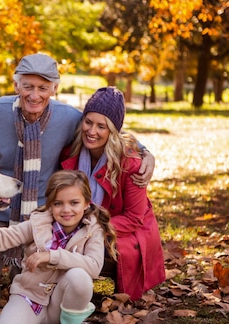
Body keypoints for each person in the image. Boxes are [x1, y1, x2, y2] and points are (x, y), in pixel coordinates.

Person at [0, 52, 156, 304]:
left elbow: (109, 127)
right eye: (27, 86)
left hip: (41, 220)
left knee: (32, 291)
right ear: (16, 84)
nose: (34, 95)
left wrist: (145, 152)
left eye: (43, 88)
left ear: (54, 88)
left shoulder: (68, 118)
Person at [0, 170, 117, 324]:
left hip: (62, 305)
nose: (66, 210)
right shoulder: (38, 224)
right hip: (30, 296)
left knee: (80, 276)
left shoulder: (93, 229)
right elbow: (1, 238)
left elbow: (93, 266)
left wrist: (52, 256)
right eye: (58, 203)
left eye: (74, 203)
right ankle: (25, 321)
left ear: (86, 203)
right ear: (50, 205)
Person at [60, 86, 166, 300]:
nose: (92, 131)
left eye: (102, 126)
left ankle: (90, 285)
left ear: (113, 131)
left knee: (74, 257)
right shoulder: (70, 154)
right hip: (80, 225)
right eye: (88, 122)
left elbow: (134, 218)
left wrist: (91, 229)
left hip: (121, 235)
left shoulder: (131, 164)